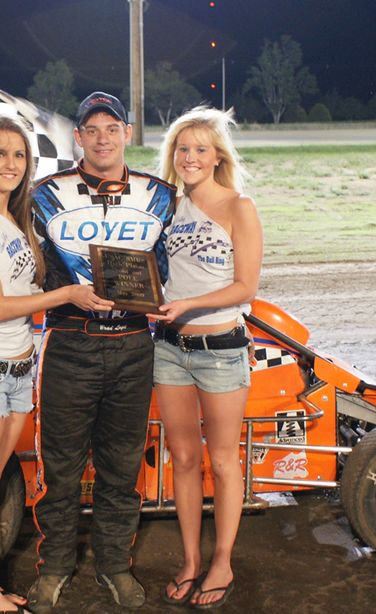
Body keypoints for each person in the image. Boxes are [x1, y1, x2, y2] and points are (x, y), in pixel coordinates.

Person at [0, 113, 113, 614]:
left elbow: (15, 292)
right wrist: (68, 294)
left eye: (19, 156)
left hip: (18, 369)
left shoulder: (13, 220)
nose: (11, 164)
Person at [26, 92, 176, 612]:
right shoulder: (45, 193)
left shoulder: (161, 195)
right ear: (79, 138)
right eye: (92, 130)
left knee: (121, 468)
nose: (103, 138)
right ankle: (55, 567)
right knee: (61, 469)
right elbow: (17, 265)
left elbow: (173, 266)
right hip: (70, 344)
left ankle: (115, 565)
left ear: (127, 134)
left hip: (135, 345)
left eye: (112, 128)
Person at [150, 106, 262, 609]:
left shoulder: (240, 207)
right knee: (185, 459)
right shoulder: (167, 206)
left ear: (218, 156)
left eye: (200, 148)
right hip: (170, 350)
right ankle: (192, 560)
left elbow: (246, 286)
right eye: (182, 148)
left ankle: (222, 561)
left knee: (221, 459)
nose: (190, 157)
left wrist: (189, 303)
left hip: (220, 350)